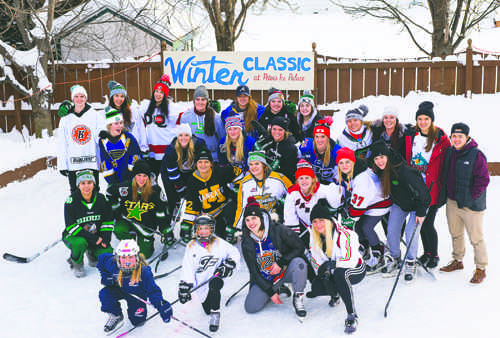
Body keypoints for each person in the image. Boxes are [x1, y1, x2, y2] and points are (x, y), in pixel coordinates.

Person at [370, 141, 431, 281]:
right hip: (400, 204)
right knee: (392, 230)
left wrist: (421, 212)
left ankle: (411, 261)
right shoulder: (380, 171)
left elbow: (424, 194)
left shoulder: (405, 171)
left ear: (388, 156)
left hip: (418, 205)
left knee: (411, 232)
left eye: (382, 157)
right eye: (376, 158)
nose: (379, 161)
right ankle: (395, 258)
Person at [438, 123, 490, 284]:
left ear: (467, 137)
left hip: (471, 206)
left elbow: (483, 180)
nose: (456, 139)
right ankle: (457, 260)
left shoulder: (476, 155)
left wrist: (471, 197)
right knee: (456, 233)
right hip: (452, 202)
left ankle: (481, 268)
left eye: (460, 136)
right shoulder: (450, 153)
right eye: (454, 136)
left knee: (476, 238)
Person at [241, 197, 308, 319]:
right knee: (251, 307)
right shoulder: (246, 242)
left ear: (261, 218)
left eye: (254, 218)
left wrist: (281, 262)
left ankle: (298, 298)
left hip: (285, 271)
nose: (251, 223)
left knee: (299, 263)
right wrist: (270, 292)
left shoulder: (278, 229)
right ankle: (278, 289)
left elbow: (299, 247)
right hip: (267, 278)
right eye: (248, 220)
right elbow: (253, 271)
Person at [308, 200, 366, 334]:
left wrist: (332, 265)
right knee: (317, 286)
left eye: (321, 220)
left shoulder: (345, 235)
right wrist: (324, 273)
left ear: (328, 220)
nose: (318, 225)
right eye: (315, 221)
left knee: (341, 274)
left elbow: (351, 260)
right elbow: (316, 260)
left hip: (356, 269)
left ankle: (352, 315)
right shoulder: (314, 236)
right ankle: (335, 294)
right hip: (335, 270)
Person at [404, 101, 450, 269]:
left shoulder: (441, 139)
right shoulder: (411, 135)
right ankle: (426, 253)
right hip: (414, 186)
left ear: (432, 120)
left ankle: (434, 253)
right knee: (420, 222)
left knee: (427, 222)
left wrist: (444, 189)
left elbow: (447, 164)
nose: (422, 122)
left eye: (426, 119)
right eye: (420, 119)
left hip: (432, 187)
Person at [178, 214, 240, 332]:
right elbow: (187, 268)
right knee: (207, 309)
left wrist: (229, 263)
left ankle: (215, 315)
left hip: (216, 277)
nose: (203, 232)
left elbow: (234, 252)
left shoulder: (219, 243)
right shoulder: (191, 247)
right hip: (201, 283)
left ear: (211, 229)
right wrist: (184, 286)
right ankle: (210, 307)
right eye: (200, 228)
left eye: (206, 228)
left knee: (214, 286)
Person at [97, 239, 173, 334]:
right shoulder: (112, 263)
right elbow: (101, 259)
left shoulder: (144, 272)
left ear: (137, 257)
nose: (127, 261)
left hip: (137, 296)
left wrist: (161, 305)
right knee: (104, 294)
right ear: (117, 258)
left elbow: (153, 291)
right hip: (119, 289)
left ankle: (136, 315)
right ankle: (116, 315)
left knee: (138, 322)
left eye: (130, 257)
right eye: (123, 258)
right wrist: (106, 275)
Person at [336, 147, 392, 272]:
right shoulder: (354, 171)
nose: (344, 165)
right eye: (341, 163)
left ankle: (379, 255)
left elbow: (357, 210)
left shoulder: (362, 179)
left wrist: (350, 214)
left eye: (347, 162)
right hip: (371, 202)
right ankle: (364, 248)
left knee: (365, 226)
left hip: (380, 203)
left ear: (353, 162)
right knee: (359, 225)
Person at [106, 160, 172, 259]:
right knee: (119, 229)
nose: (141, 179)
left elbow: (161, 212)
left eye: (145, 176)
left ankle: (145, 243)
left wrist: (166, 230)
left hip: (145, 225)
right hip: (128, 220)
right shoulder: (126, 188)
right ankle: (130, 240)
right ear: (134, 176)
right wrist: (116, 209)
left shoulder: (155, 191)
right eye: (139, 175)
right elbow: (110, 192)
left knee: (144, 255)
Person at [181, 148, 242, 242]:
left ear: (211, 164)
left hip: (226, 206)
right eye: (200, 162)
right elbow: (192, 203)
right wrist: (187, 223)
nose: (203, 165)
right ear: (196, 164)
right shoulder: (192, 181)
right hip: (211, 215)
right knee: (222, 237)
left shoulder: (219, 172)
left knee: (233, 210)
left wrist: (237, 189)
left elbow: (238, 173)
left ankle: (234, 228)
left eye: (206, 162)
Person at [62, 171, 114, 278]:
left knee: (107, 253)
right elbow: (72, 227)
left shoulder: (101, 199)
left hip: (95, 235)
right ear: (78, 185)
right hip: (74, 236)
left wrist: (105, 238)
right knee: (79, 243)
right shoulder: (71, 201)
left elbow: (108, 221)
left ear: (94, 184)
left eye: (89, 182)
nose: (86, 186)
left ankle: (92, 253)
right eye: (83, 183)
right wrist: (94, 239)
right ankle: (76, 262)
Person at [232, 151, 292, 236]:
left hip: (276, 221)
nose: (253, 167)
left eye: (257, 164)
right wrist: (238, 228)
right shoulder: (245, 182)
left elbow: (294, 197)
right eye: (251, 164)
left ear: (264, 165)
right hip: (255, 224)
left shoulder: (279, 178)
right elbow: (242, 207)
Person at [57, 84, 104, 193]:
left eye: (82, 96)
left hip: (91, 161)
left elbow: (101, 137)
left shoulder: (94, 115)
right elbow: (62, 143)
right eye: (76, 96)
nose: (79, 99)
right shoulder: (65, 119)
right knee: (75, 193)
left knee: (94, 191)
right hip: (74, 163)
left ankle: (95, 210)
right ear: (72, 99)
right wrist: (62, 164)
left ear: (86, 98)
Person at [284, 160, 343, 246]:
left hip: (324, 226)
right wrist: (293, 236)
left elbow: (336, 203)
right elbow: (290, 215)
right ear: (297, 181)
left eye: (307, 178)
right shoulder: (292, 194)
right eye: (301, 178)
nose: (304, 181)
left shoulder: (323, 190)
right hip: (306, 227)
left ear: (313, 179)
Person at [160, 124, 207, 223]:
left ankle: (200, 213)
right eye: (181, 135)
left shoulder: (199, 144)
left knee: (197, 191)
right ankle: (173, 212)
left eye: (186, 135)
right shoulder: (171, 150)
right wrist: (181, 190)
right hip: (170, 173)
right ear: (177, 137)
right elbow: (173, 175)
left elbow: (204, 164)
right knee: (173, 194)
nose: (183, 138)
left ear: (190, 136)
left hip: (190, 171)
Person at [138, 74, 178, 176]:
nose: (158, 94)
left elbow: (180, 124)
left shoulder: (171, 108)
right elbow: (139, 125)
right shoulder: (145, 107)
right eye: (156, 91)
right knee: (152, 182)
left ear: (165, 95)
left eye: (161, 92)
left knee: (169, 181)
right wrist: (144, 147)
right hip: (152, 152)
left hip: (167, 151)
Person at [179, 85, 225, 162]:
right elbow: (182, 139)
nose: (200, 102)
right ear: (194, 101)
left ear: (207, 101)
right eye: (197, 99)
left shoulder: (215, 117)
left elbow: (222, 137)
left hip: (212, 158)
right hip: (193, 157)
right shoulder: (185, 116)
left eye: (203, 99)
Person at [99, 108, 141, 184]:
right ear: (109, 125)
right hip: (114, 179)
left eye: (121, 123)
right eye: (116, 123)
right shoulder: (103, 140)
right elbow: (105, 161)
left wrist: (130, 179)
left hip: (130, 179)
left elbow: (134, 157)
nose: (120, 126)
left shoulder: (129, 137)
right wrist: (112, 182)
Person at [107, 80, 148, 154]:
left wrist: (143, 148)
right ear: (112, 97)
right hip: (117, 152)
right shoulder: (108, 113)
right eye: (116, 96)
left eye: (122, 96)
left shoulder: (133, 111)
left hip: (134, 151)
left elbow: (141, 130)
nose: (119, 99)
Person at [255, 116, 298, 182]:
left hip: (280, 179)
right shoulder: (267, 140)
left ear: (285, 131)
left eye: (280, 130)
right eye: (274, 129)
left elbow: (290, 171)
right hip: (262, 176)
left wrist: (275, 169)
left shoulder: (291, 147)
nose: (276, 132)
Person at [299, 118, 341, 184]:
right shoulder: (306, 146)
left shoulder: (336, 151)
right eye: (317, 136)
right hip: (311, 183)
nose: (319, 140)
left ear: (328, 138)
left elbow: (339, 176)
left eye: (323, 136)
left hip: (330, 185)